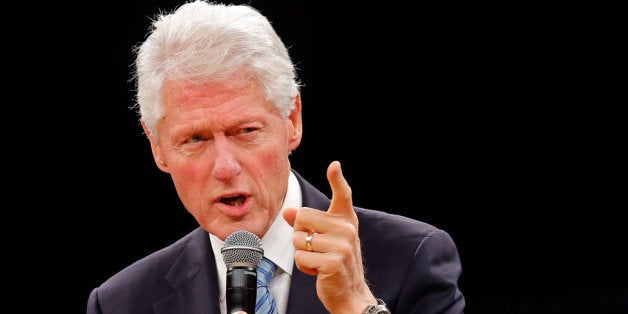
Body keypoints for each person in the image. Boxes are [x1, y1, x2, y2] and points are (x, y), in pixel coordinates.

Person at [86, 1, 465, 313]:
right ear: (157, 147)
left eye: (246, 131)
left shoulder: (411, 258)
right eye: (195, 139)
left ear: (292, 121)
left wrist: (357, 304)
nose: (225, 167)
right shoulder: (121, 302)